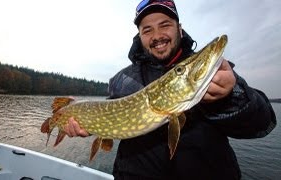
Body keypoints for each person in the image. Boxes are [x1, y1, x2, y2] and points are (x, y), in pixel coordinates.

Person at [64, 0, 277, 179]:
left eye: (164, 25)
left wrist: (231, 95)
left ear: (179, 28)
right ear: (140, 36)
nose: (157, 35)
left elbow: (263, 123)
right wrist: (84, 123)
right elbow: (105, 118)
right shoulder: (122, 79)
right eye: (147, 30)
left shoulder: (217, 73)